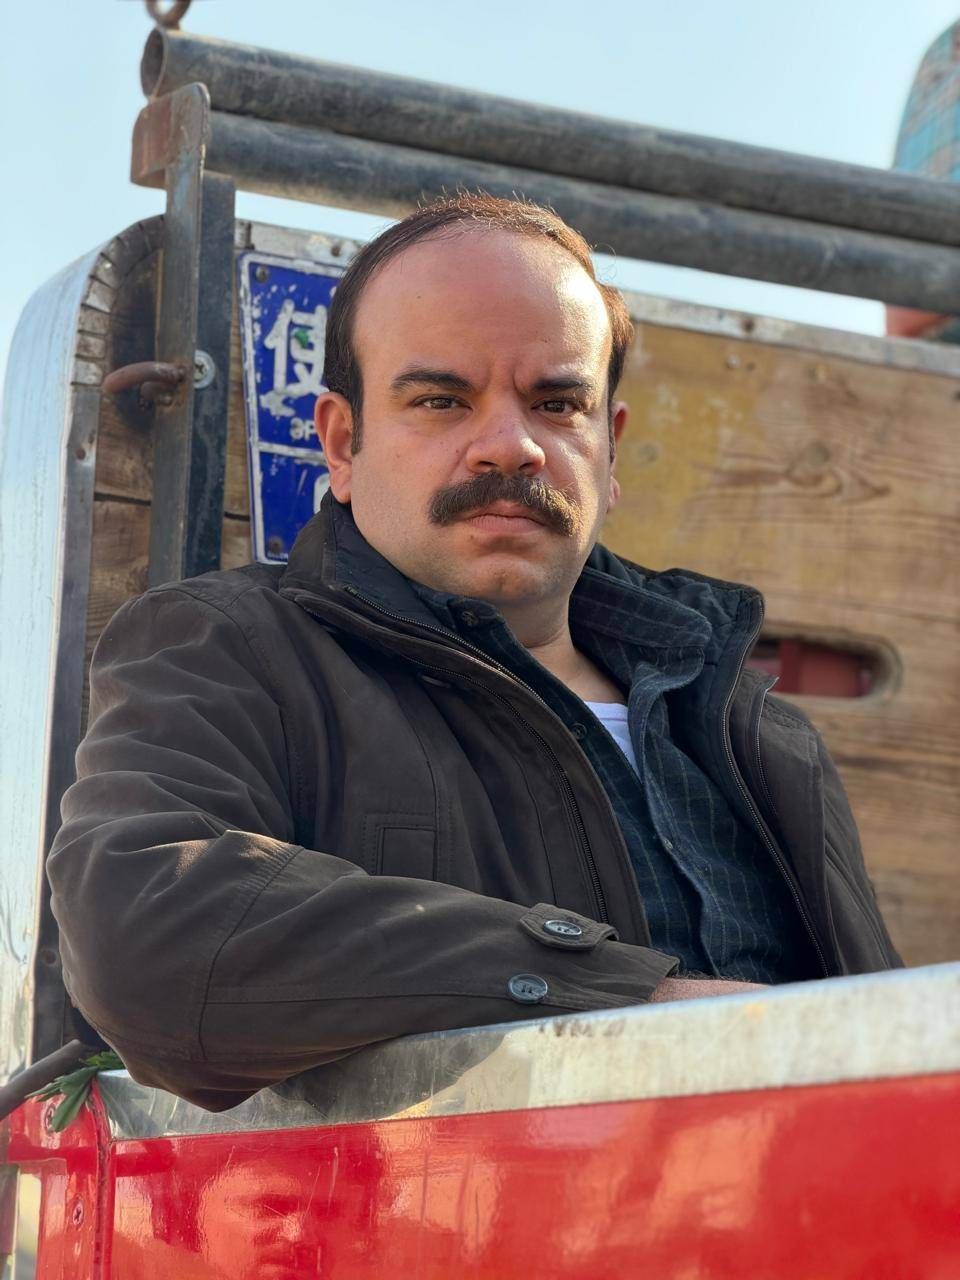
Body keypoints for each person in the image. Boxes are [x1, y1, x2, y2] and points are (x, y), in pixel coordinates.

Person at [47, 194, 900, 1111]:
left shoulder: (755, 730)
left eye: (557, 403)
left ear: (609, 449)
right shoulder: (229, 651)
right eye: (441, 400)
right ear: (343, 442)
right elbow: (145, 934)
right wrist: (629, 1002)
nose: (510, 446)